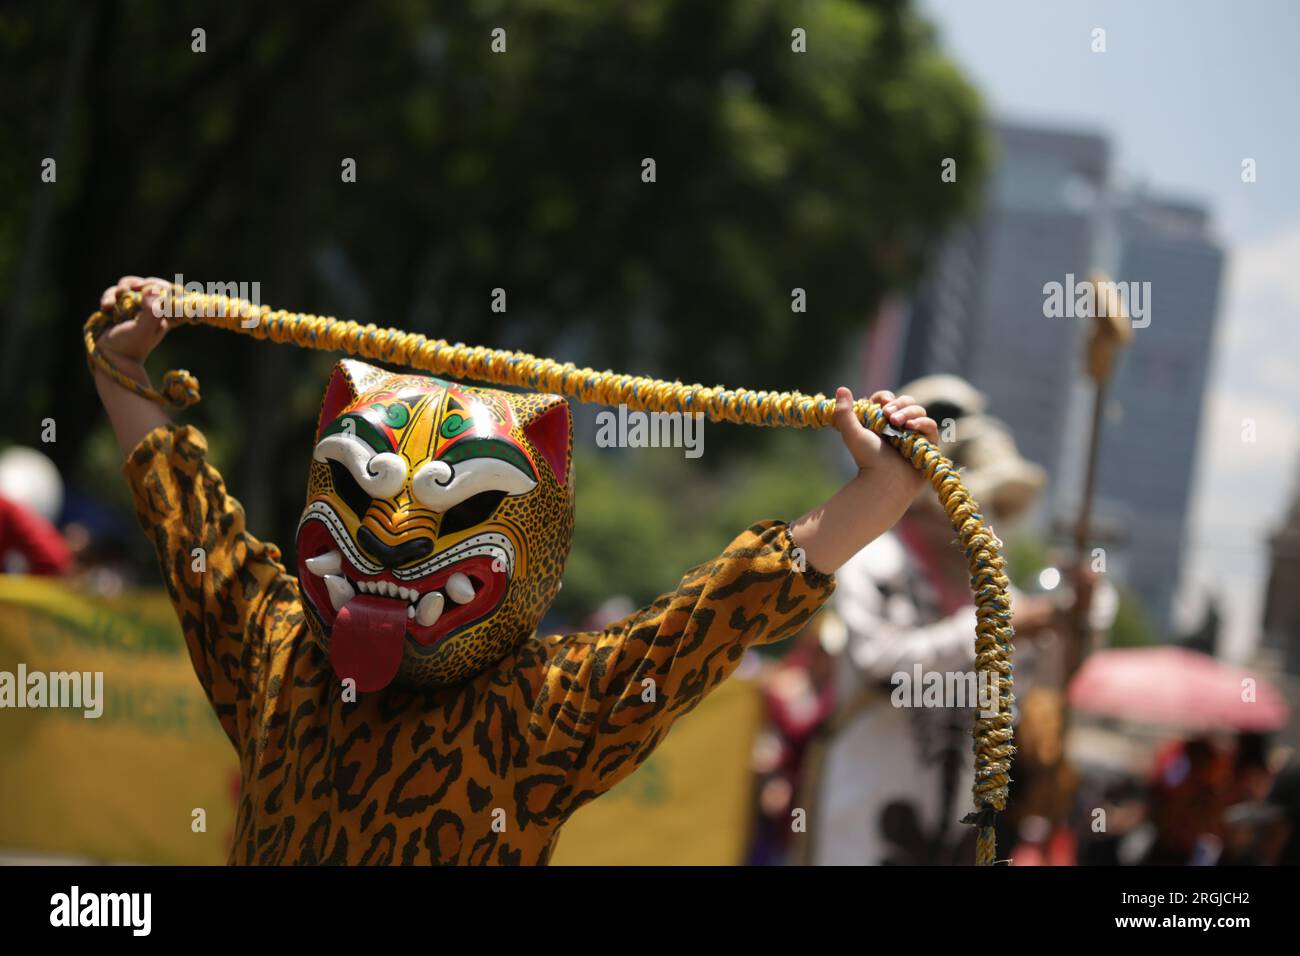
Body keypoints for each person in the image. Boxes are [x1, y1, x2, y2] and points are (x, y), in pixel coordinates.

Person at [90, 275, 943, 865]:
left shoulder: (542, 710)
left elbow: (715, 616)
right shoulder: (276, 651)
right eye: (363, 489)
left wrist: (883, 493)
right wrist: (122, 365)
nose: (391, 535)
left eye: (454, 507)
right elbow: (188, 525)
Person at [805, 375, 1055, 866]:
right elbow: (880, 665)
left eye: (998, 508)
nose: (988, 521)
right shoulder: (873, 562)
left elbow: (1021, 701)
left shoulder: (994, 589)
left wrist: (1070, 625)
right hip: (864, 834)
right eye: (983, 501)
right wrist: (989, 630)